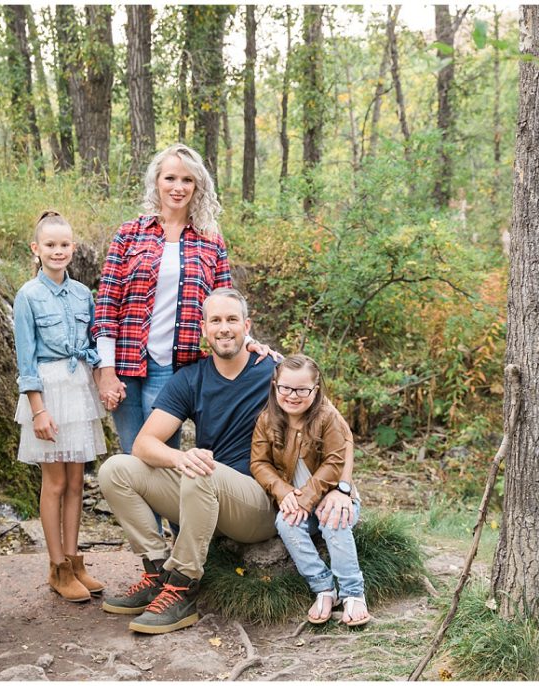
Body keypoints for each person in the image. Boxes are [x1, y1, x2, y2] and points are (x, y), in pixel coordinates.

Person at [97, 288, 352, 635]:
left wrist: (341, 489)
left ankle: (183, 588)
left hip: (260, 503)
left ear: (247, 326)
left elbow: (341, 432)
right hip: (202, 494)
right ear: (203, 329)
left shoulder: (273, 372)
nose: (224, 328)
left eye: (232, 319)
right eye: (215, 320)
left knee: (205, 471)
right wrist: (181, 456)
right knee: (116, 469)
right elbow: (144, 444)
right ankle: (159, 570)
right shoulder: (191, 378)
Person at [91, 143, 274, 453]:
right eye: (170, 178)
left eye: (187, 180)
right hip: (125, 361)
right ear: (157, 181)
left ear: (197, 186)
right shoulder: (129, 234)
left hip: (174, 367)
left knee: (159, 456)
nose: (178, 187)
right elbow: (107, 307)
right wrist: (106, 372)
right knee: (131, 455)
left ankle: (164, 504)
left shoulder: (210, 241)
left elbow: (225, 302)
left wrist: (248, 341)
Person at [13, 210, 107, 603]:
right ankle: (56, 566)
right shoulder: (28, 296)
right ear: (36, 249)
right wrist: (38, 409)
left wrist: (104, 380)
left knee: (76, 482)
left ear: (74, 247)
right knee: (53, 482)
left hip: (78, 388)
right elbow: (26, 360)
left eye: (64, 244)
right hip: (49, 393)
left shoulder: (83, 293)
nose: (58, 251)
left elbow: (92, 345)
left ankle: (75, 559)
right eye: (50, 245)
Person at [250, 354, 369, 626]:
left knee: (334, 520)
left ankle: (353, 592)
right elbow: (259, 463)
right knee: (285, 522)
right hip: (295, 500)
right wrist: (282, 492)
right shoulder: (266, 420)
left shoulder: (327, 417)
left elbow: (335, 461)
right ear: (275, 385)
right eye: (285, 388)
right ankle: (324, 588)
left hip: (332, 496)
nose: (293, 395)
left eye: (302, 390)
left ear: (315, 390)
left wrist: (309, 497)